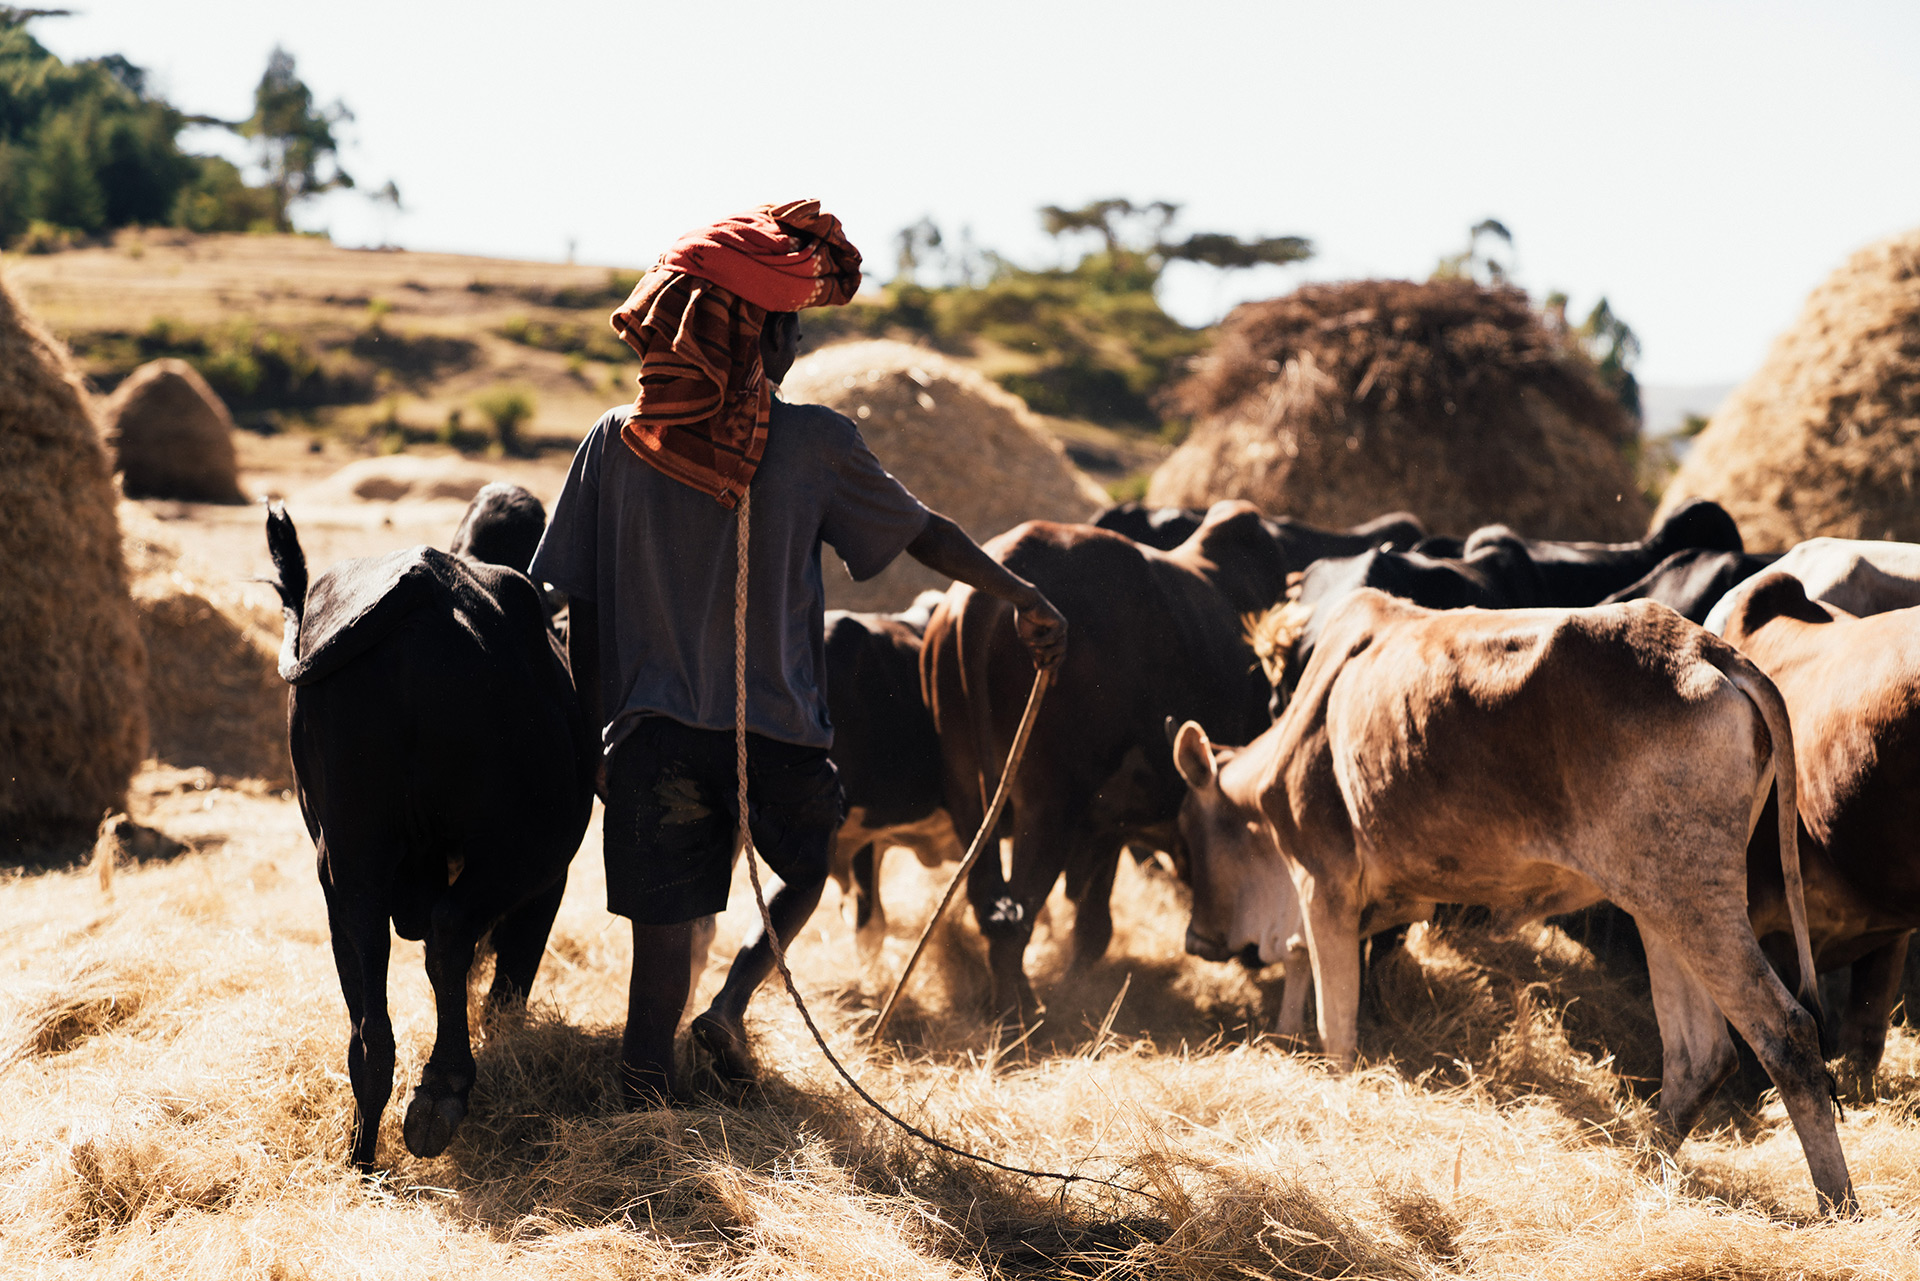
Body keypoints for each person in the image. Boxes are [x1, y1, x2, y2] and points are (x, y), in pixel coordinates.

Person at [529, 201, 1067, 1106]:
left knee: (661, 947)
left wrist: (595, 748)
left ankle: (643, 1134)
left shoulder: (613, 444)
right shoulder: (814, 443)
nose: (795, 349)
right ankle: (735, 1000)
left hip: (652, 740)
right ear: (756, 337)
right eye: (788, 329)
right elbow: (924, 535)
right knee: (813, 864)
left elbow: (574, 606)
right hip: (775, 733)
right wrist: (1020, 594)